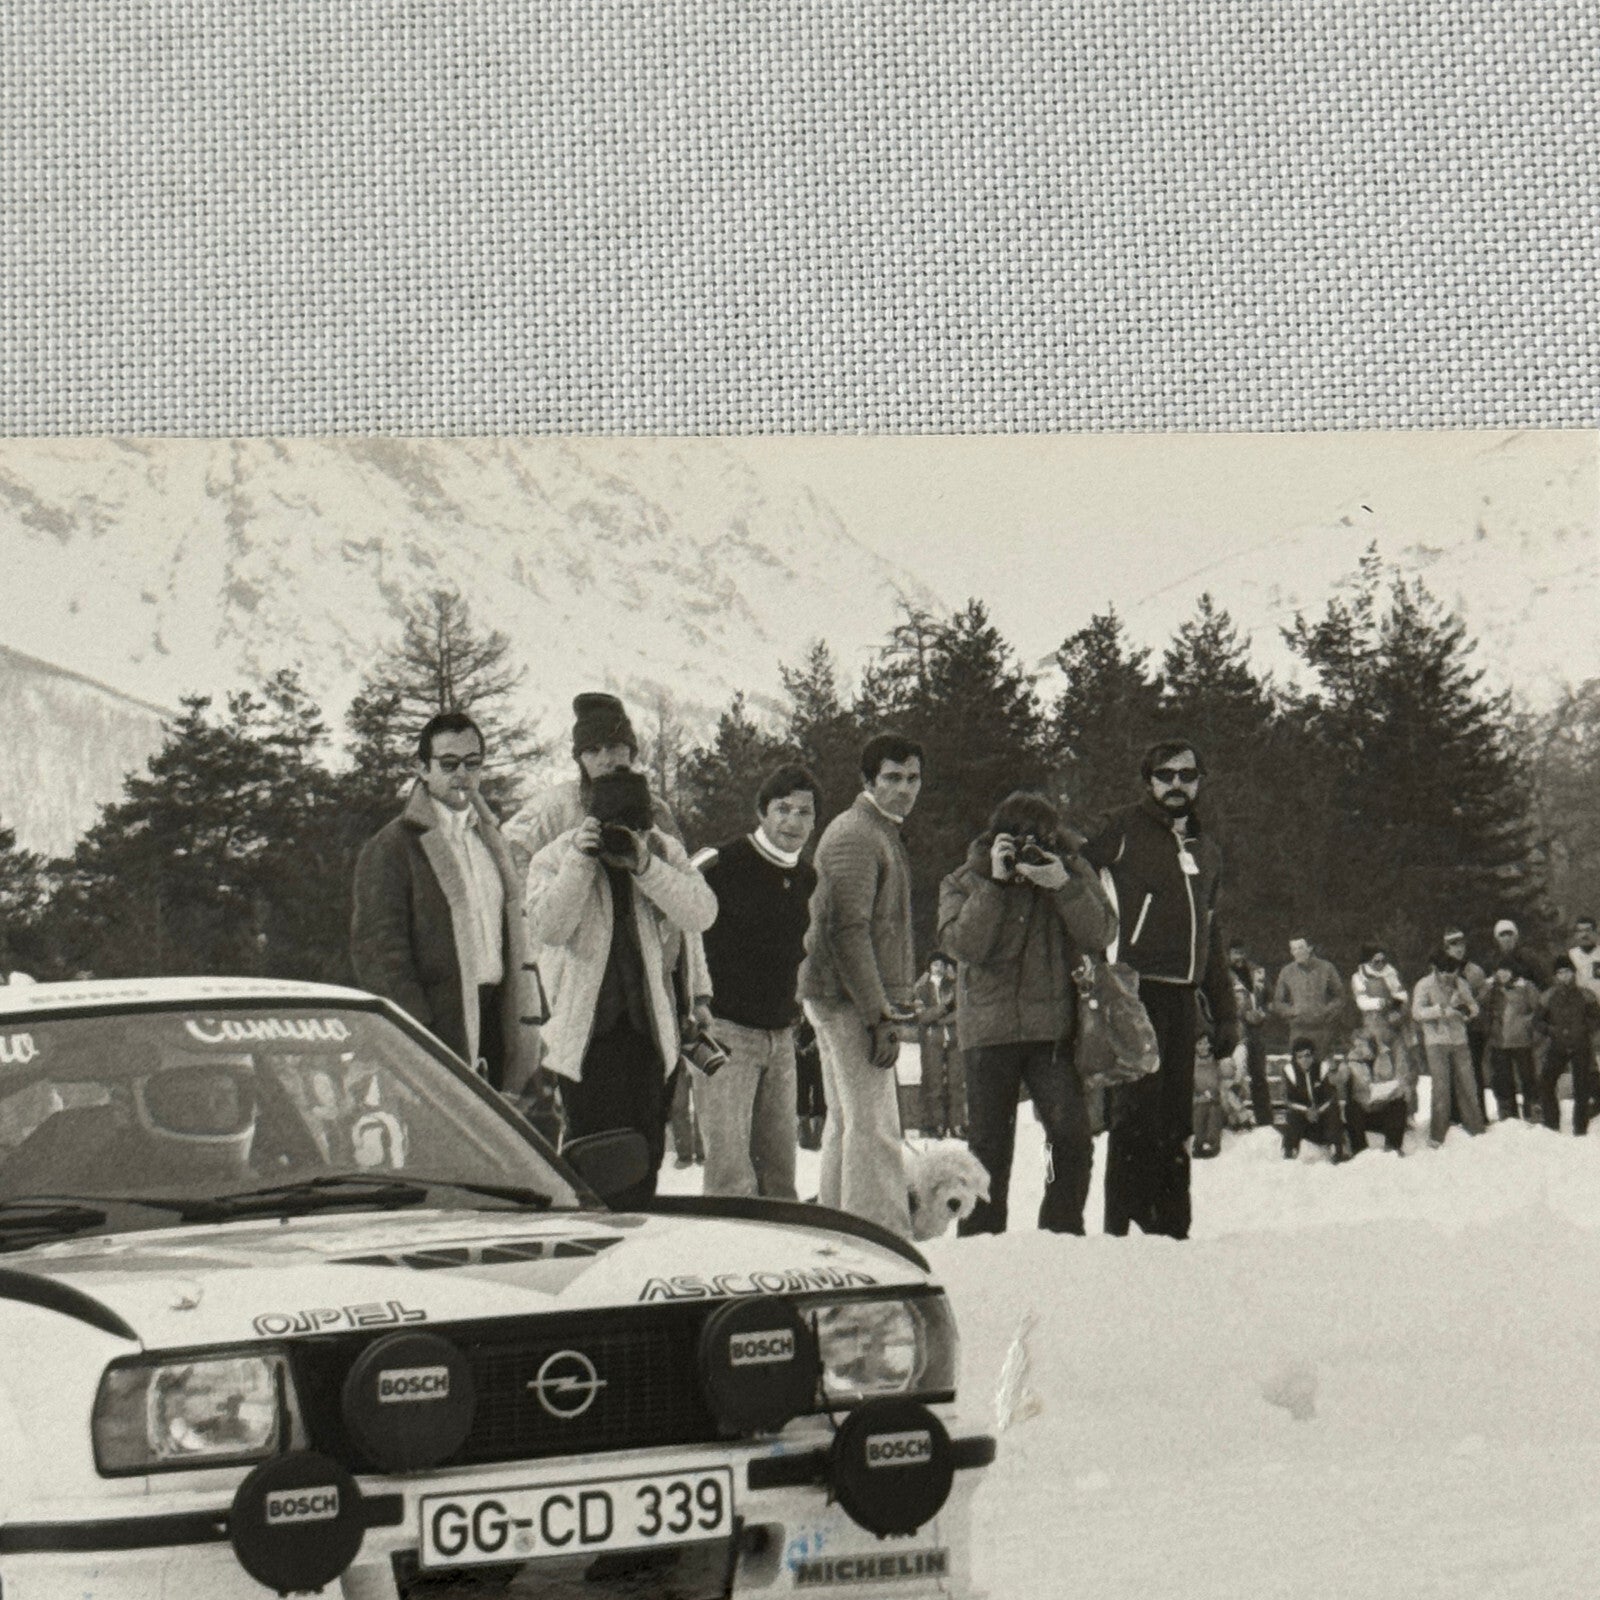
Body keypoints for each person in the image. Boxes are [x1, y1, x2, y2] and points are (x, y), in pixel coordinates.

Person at [524, 766, 717, 1207]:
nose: (628, 836)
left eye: (638, 826)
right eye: (618, 827)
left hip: (651, 1037)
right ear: (589, 819)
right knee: (595, 1161)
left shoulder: (662, 852)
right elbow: (550, 929)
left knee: (645, 1158)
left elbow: (702, 913)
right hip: (588, 1041)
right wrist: (580, 860)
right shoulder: (556, 856)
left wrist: (646, 865)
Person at [937, 790, 1116, 1233]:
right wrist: (995, 884)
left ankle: (1059, 1229)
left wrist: (1064, 886)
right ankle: (982, 1239)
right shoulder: (965, 879)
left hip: (1051, 1031)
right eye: (1015, 841)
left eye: (1038, 840)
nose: (1027, 852)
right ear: (996, 840)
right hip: (988, 1032)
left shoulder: (1068, 872)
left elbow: (1102, 932)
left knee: (1071, 1140)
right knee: (987, 1149)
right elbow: (963, 946)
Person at [1083, 739, 1237, 1241]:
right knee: (1135, 1116)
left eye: (1187, 775)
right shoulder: (1123, 829)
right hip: (1136, 991)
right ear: (1148, 781)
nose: (1176, 784)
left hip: (1183, 997)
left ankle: (1172, 1231)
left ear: (1199, 781)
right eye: (1165, 775)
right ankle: (1120, 1232)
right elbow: (1072, 864)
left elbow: (1211, 935)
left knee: (1177, 1120)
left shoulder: (1205, 848)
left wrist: (1225, 1009)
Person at [351, 710, 542, 1097]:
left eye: (473, 763)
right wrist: (421, 1033)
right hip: (438, 1030)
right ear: (423, 768)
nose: (462, 774)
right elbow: (379, 955)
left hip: (497, 1024)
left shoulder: (490, 841)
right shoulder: (393, 848)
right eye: (449, 763)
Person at [798, 732, 924, 1237]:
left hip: (840, 996)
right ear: (868, 781)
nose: (904, 789)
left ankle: (837, 1226)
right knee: (874, 1128)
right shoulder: (857, 834)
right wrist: (878, 1015)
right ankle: (882, 1237)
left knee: (849, 1124)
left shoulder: (879, 831)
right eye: (892, 778)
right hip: (848, 999)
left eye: (913, 778)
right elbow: (847, 930)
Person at [693, 762, 821, 1200]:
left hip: (780, 1038)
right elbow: (675, 929)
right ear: (763, 813)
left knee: (780, 1174)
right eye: (783, 809)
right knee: (730, 1174)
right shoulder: (720, 863)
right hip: (725, 1033)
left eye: (804, 812)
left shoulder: (807, 878)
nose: (793, 821)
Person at [1411, 949, 1484, 1145]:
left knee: (1468, 1085)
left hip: (1459, 1040)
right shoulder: (1424, 985)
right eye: (1445, 972)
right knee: (1441, 1088)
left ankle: (1476, 1129)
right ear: (1437, 970)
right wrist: (1441, 1011)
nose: (1449, 977)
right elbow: (1417, 1012)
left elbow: (1474, 1007)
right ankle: (1437, 1135)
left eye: (1453, 972)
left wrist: (1466, 1012)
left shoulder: (1461, 984)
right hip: (1436, 1042)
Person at [1538, 955, 1600, 1134]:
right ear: (1555, 976)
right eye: (1559, 973)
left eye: (1566, 972)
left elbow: (1596, 1018)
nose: (1563, 976)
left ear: (1573, 973)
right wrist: (1550, 1030)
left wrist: (1583, 1029)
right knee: (1546, 1082)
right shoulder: (1548, 996)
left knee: (1581, 1087)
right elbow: (1537, 1021)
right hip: (1558, 1046)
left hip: (1581, 1045)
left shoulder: (1586, 994)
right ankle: (1551, 1125)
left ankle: (1580, 1129)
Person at [1482, 961, 1543, 1122]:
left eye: (1506, 970)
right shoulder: (1490, 988)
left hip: (1521, 1040)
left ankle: (1533, 1110)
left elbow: (1539, 1009)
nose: (1503, 974)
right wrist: (1486, 988)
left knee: (1527, 1076)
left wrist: (1526, 1023)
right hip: (1499, 1040)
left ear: (1513, 971)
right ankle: (1508, 1113)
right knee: (1502, 1078)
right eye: (1499, 970)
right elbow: (1480, 1005)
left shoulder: (1525, 986)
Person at [912, 953, 963, 1139]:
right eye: (934, 964)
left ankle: (957, 1123)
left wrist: (941, 1018)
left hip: (954, 1038)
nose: (938, 968)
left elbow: (959, 1012)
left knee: (956, 1083)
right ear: (929, 967)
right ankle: (936, 1124)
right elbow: (923, 1017)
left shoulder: (954, 986)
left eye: (941, 964)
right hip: (932, 1040)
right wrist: (944, 1009)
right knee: (934, 1083)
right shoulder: (921, 989)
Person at [1271, 936, 1346, 1060]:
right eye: (1294, 949)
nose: (1297, 952)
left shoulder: (1326, 968)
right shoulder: (1287, 971)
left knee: (1322, 1069)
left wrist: (1326, 1010)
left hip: (1322, 1030)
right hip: (1298, 1030)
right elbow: (1278, 1002)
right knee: (1300, 1070)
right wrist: (1292, 1011)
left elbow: (1340, 997)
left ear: (1310, 948)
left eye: (1301, 947)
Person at [1227, 941, 1273, 1126]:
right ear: (1228, 954)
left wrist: (1264, 1014)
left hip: (1257, 1033)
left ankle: (1265, 1121)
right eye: (1235, 953)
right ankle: (1234, 1119)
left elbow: (1270, 999)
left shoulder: (1258, 973)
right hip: (1235, 1032)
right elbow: (1219, 1003)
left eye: (1242, 953)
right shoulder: (1223, 975)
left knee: (1259, 1076)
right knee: (1235, 1077)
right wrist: (1243, 1014)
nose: (1239, 957)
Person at [1341, 1033, 1408, 1155]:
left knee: (1400, 1104)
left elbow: (1400, 1082)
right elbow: (1341, 1087)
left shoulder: (1387, 1056)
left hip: (1382, 1110)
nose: (1359, 1049)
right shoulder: (1350, 1062)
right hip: (1362, 1113)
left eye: (1362, 1045)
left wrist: (1392, 1091)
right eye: (1357, 1046)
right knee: (1351, 1108)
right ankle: (1360, 1151)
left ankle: (1393, 1147)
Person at [1280, 1037, 1346, 1161]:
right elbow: (1288, 1099)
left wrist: (1318, 1110)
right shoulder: (1289, 1071)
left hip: (1322, 1116)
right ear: (1295, 1058)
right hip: (1303, 1116)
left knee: (1333, 1111)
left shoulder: (1322, 1068)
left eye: (1307, 1055)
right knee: (1292, 1116)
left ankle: (1336, 1149)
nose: (1304, 1060)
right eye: (1300, 1057)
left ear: (1313, 1055)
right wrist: (1306, 1111)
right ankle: (1291, 1150)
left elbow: (1330, 1095)